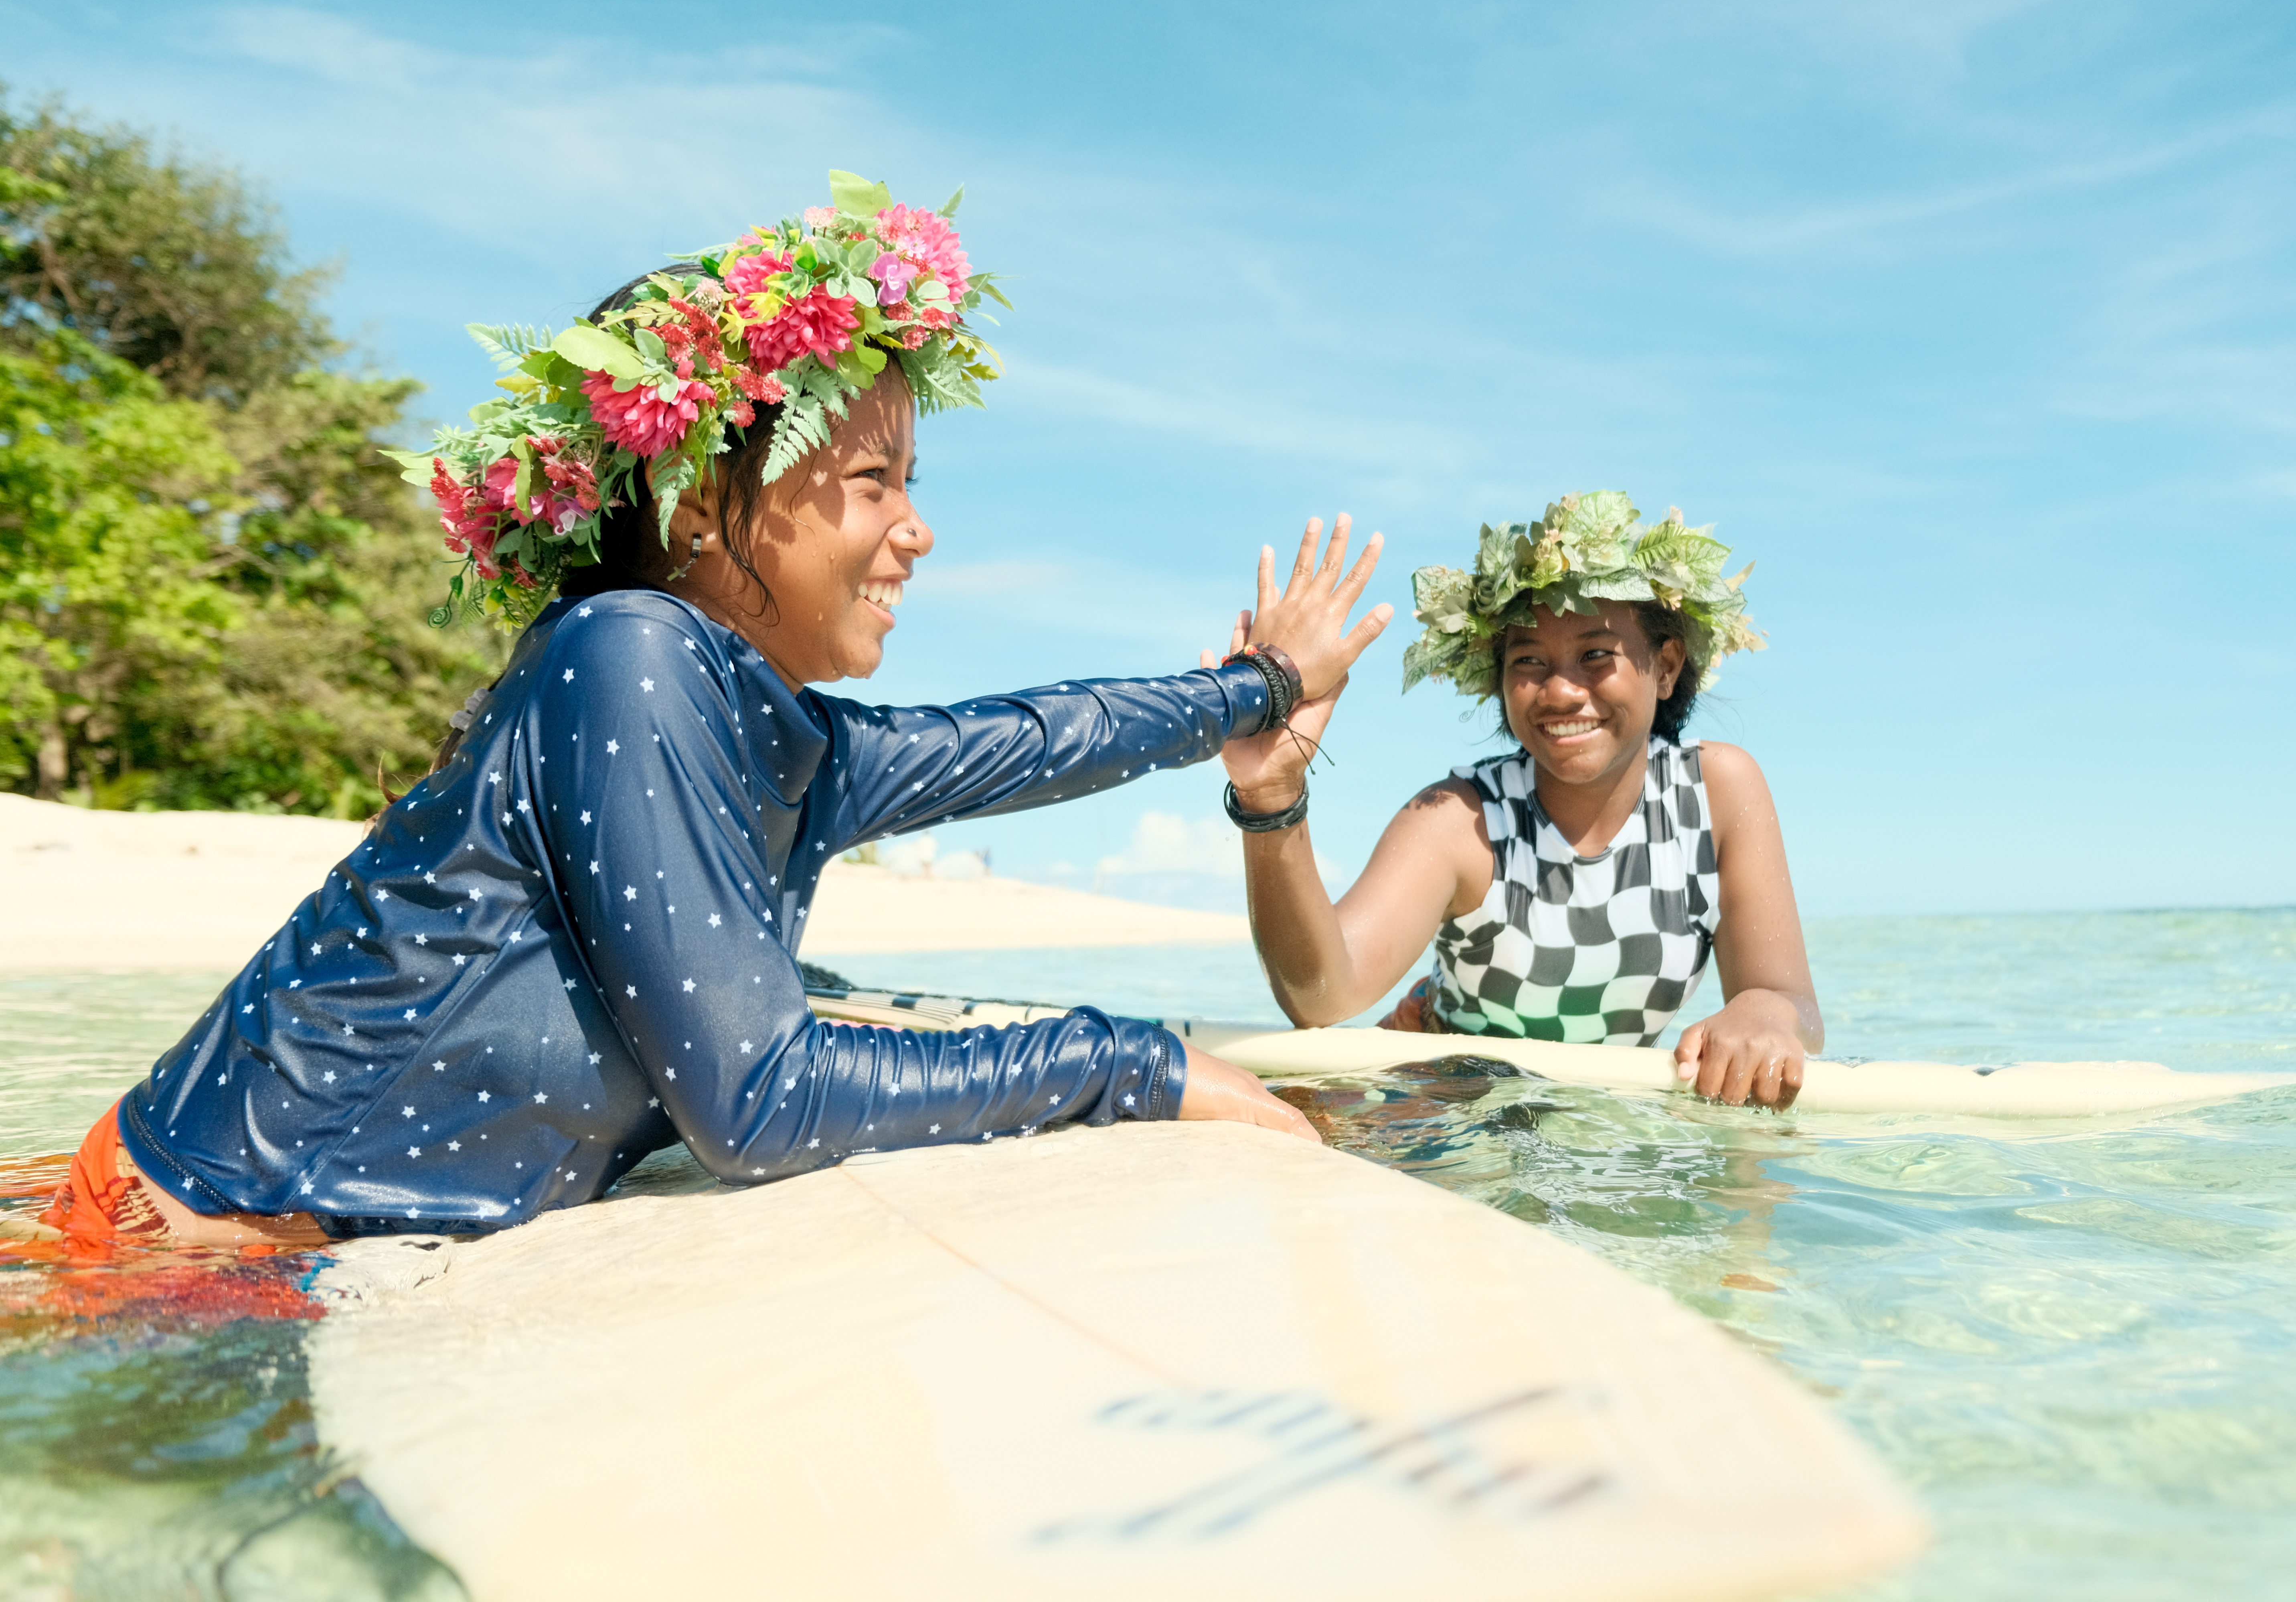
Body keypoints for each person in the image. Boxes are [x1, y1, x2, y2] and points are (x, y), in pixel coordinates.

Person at [33, 170, 1393, 1254]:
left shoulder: (773, 730)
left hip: (282, 1257)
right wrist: (1129, 1062)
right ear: (695, 506)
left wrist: (1259, 693)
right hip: (173, 1250)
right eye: (874, 481)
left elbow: (1025, 739)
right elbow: (757, 1103)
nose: (918, 530)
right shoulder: (626, 653)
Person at [1207, 492, 1820, 1108]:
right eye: (1529, 660)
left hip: (1604, 1129)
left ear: (1665, 668)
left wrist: (1763, 1014)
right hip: (1445, 1121)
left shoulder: (1714, 794)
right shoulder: (1461, 820)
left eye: (1596, 654)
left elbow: (1793, 1005)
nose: (1560, 690)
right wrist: (1271, 795)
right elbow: (1320, 996)